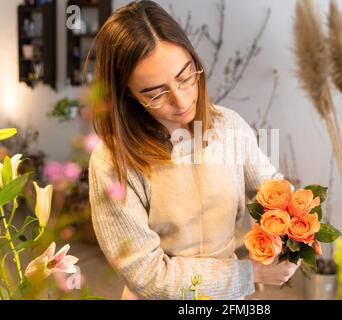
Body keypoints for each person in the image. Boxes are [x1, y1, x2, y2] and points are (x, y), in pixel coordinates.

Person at [88, 0, 300, 300]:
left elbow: (272, 190)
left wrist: (296, 228)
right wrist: (250, 273)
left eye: (185, 76)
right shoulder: (111, 162)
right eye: (156, 93)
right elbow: (148, 276)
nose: (181, 100)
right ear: (128, 95)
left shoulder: (228, 126)